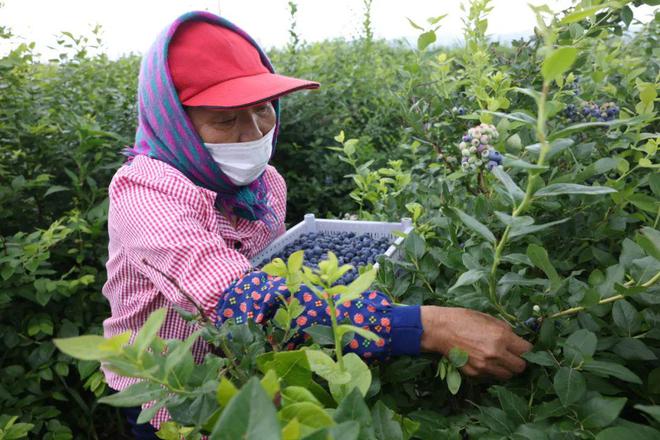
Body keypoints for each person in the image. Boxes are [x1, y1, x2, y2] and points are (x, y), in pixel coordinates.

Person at [101, 10, 532, 438]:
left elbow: (269, 270)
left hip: (254, 374)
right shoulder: (146, 192)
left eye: (263, 109)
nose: (253, 133)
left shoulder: (265, 183)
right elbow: (239, 299)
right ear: (174, 122)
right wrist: (426, 327)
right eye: (226, 119)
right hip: (174, 393)